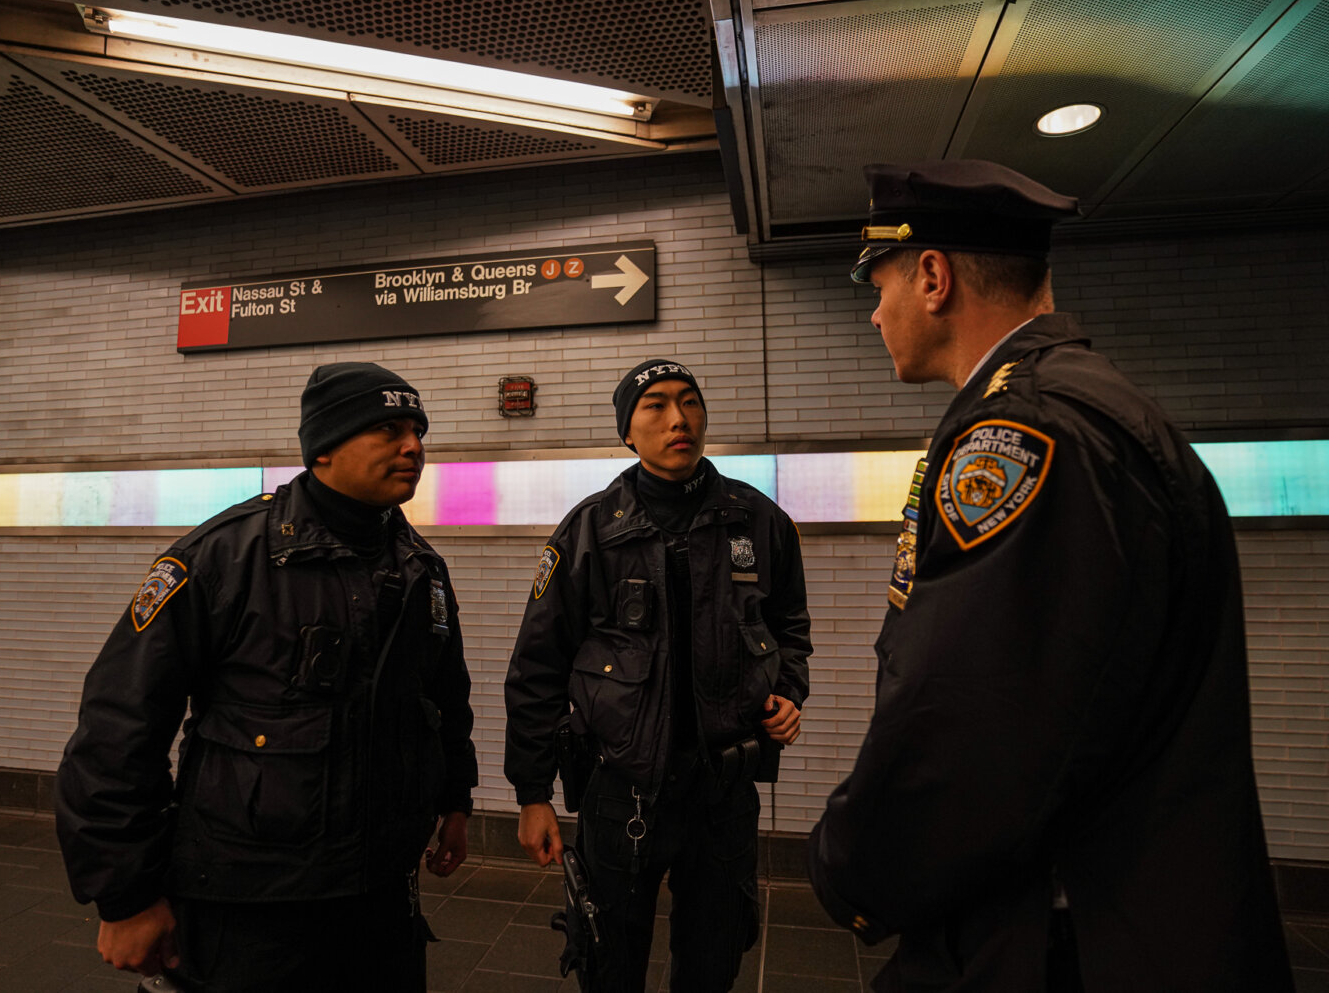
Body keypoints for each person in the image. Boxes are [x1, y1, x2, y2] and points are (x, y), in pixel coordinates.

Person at [808, 161, 1294, 992]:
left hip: (1070, 941)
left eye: (877, 281)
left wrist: (849, 864)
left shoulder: (1026, 429)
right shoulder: (1077, 405)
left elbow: (972, 722)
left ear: (933, 276)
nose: (877, 311)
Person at [56, 362, 476, 993]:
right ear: (325, 447)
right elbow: (118, 730)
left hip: (381, 900)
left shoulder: (420, 567)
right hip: (248, 906)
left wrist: (455, 800)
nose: (414, 446)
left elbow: (444, 700)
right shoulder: (224, 556)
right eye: (388, 429)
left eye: (418, 430)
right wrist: (125, 896)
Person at [504, 359, 812, 992]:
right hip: (620, 793)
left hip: (724, 792)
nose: (679, 419)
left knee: (712, 963)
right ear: (628, 432)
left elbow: (790, 630)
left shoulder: (758, 521)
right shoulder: (590, 530)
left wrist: (788, 691)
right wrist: (532, 793)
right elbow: (537, 666)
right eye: (657, 406)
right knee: (610, 965)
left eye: (691, 402)